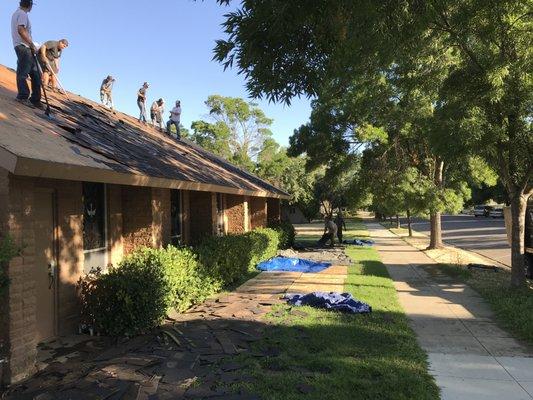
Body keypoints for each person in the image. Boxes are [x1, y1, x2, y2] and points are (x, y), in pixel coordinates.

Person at [11, 0, 41, 108]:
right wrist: (31, 43)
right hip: (24, 47)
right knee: (23, 72)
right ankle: (23, 96)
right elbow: (21, 29)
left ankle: (35, 99)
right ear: (30, 5)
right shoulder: (22, 14)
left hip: (25, 47)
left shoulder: (17, 13)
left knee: (36, 74)